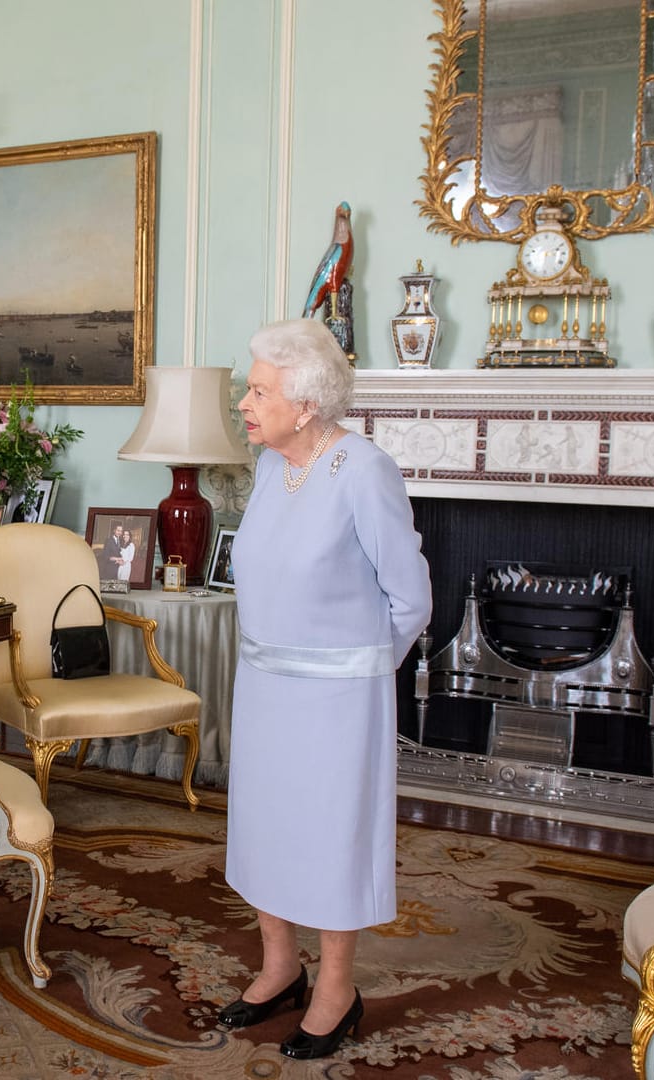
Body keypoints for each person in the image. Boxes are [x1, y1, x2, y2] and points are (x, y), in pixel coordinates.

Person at [216, 318, 431, 1061]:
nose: (244, 401)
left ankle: (337, 985)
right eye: (250, 386)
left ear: (305, 405)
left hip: (339, 699)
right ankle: (281, 966)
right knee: (266, 825)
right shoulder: (275, 465)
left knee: (331, 838)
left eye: (258, 390)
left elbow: (410, 598)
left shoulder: (364, 470)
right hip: (267, 684)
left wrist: (362, 670)